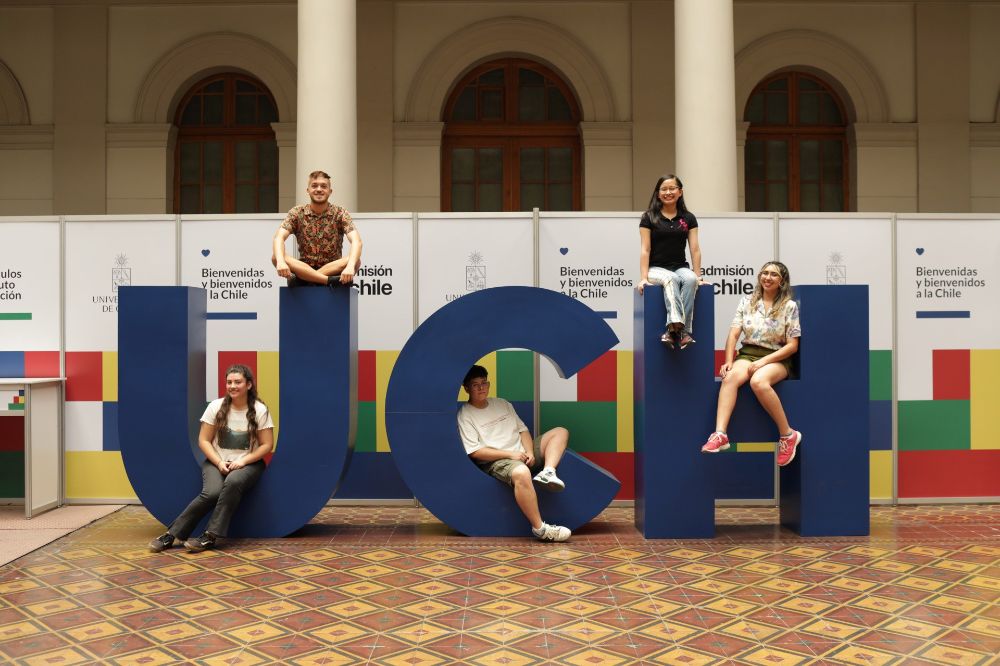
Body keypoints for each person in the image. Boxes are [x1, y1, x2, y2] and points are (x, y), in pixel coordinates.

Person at [148, 364, 274, 553]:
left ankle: (210, 536)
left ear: (248, 385)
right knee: (212, 492)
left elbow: (266, 445)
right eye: (229, 382)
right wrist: (219, 462)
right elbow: (204, 440)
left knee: (233, 482)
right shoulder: (216, 406)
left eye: (237, 382)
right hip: (217, 461)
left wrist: (243, 461)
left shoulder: (259, 410)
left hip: (249, 464)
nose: (232, 386)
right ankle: (171, 535)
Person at [702, 261, 803, 466]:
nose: (767, 277)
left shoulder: (789, 306)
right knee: (729, 378)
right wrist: (728, 361)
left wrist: (764, 361)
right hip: (747, 355)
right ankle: (720, 434)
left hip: (777, 357)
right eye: (764, 273)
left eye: (773, 274)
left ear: (781, 281)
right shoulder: (747, 301)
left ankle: (787, 435)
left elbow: (792, 346)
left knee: (758, 381)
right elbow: (733, 334)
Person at [457, 365, 573, 542]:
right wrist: (511, 455)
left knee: (560, 431)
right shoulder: (465, 415)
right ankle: (540, 529)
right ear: (466, 388)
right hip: (498, 460)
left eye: (484, 383)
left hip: (521, 452)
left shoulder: (502, 403)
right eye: (475, 385)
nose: (481, 388)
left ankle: (548, 472)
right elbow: (475, 452)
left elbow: (522, 430)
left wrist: (528, 451)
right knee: (521, 472)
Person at [637, 174, 703, 348]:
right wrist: (644, 278)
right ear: (658, 194)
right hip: (655, 269)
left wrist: (698, 275)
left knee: (690, 279)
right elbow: (645, 249)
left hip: (680, 267)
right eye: (664, 189)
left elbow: (694, 249)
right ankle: (678, 329)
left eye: (672, 188)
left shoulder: (688, 218)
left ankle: (676, 332)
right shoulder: (649, 217)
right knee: (671, 279)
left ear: (680, 192)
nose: (668, 192)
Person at [272, 170, 362, 287]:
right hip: (304, 266)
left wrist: (350, 266)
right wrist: (280, 262)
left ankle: (306, 280)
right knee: (276, 257)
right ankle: (327, 281)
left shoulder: (340, 213)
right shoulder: (297, 212)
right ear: (308, 190)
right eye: (314, 186)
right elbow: (279, 238)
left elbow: (356, 241)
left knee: (355, 261)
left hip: (332, 268)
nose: (319, 189)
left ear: (330, 191)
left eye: (323, 186)